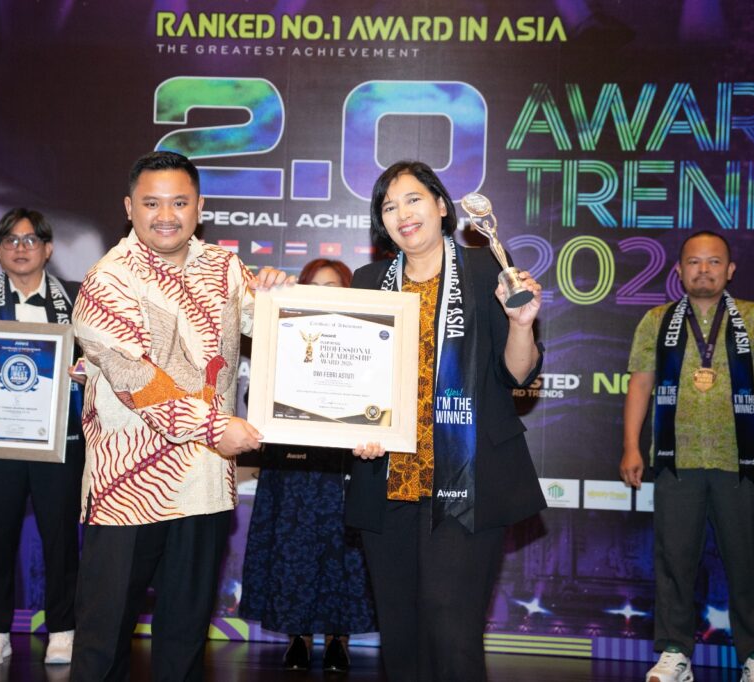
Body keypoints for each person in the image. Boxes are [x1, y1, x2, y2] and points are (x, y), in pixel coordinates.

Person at [70, 150, 291, 681]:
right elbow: (137, 379)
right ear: (129, 207)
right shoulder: (107, 280)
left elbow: (274, 332)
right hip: (127, 490)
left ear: (199, 206)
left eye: (179, 202)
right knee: (103, 640)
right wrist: (216, 427)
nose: (165, 215)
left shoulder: (225, 267)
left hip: (205, 485)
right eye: (151, 203)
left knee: (185, 640)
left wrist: (280, 301)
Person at [346, 161, 546, 682]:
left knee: (451, 626)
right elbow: (352, 382)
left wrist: (522, 325)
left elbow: (517, 374)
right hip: (389, 478)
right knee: (401, 634)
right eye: (389, 207)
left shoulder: (487, 269)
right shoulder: (367, 282)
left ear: (440, 205)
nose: (402, 214)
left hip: (467, 478)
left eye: (413, 199)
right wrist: (356, 429)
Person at [620, 231, 754, 682]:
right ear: (679, 270)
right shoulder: (657, 320)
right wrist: (632, 445)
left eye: (714, 262)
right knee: (674, 562)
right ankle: (675, 653)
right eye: (694, 262)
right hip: (677, 460)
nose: (704, 270)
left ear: (729, 270)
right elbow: (641, 383)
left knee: (748, 564)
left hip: (742, 461)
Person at [0, 208, 86, 667]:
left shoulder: (76, 297)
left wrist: (86, 373)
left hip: (58, 441)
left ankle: (62, 629)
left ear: (48, 248)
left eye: (30, 240)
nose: (20, 248)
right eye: (11, 240)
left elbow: (100, 359)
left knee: (60, 540)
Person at [240, 258, 377, 673]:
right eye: (314, 286)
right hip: (293, 468)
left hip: (344, 468)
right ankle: (297, 635)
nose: (323, 294)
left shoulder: (368, 342)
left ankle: (338, 638)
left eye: (333, 287)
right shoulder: (283, 337)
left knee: (343, 555)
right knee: (292, 551)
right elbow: (254, 400)